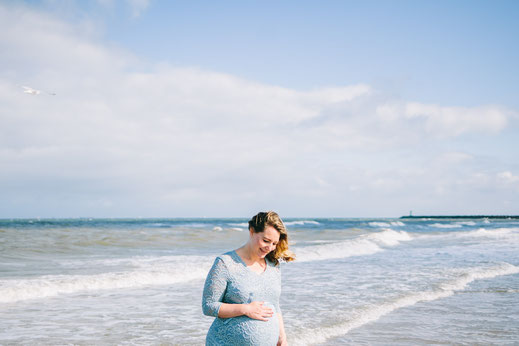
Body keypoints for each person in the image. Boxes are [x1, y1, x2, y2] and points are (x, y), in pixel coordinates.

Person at [202, 211, 296, 345]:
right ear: (252, 231)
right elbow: (209, 306)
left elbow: (274, 305)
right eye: (266, 241)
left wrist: (282, 338)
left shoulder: (273, 265)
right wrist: (245, 309)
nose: (269, 248)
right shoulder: (225, 263)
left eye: (274, 243)